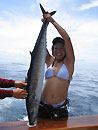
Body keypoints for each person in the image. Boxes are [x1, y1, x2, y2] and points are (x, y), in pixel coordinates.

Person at [38, 12, 75, 119]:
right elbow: (40, 45)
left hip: (60, 109)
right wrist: (44, 25)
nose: (59, 51)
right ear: (52, 50)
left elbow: (67, 38)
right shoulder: (49, 60)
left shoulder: (69, 63)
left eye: (62, 48)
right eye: (56, 48)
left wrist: (52, 21)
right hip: (42, 106)